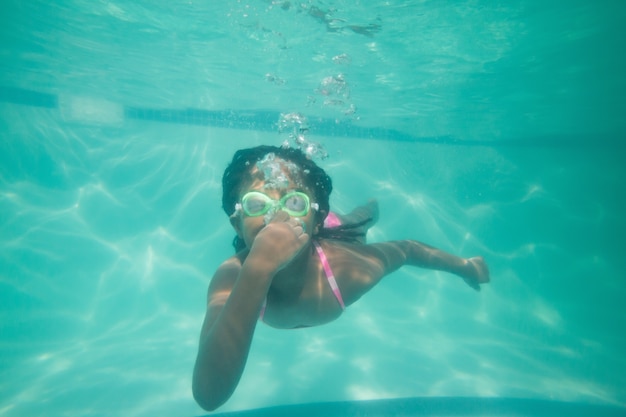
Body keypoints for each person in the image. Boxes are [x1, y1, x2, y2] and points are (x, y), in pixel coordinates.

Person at [192, 145, 490, 411]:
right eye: (258, 204)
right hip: (300, 237)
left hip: (335, 239)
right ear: (237, 223)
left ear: (316, 219)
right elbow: (208, 395)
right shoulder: (232, 276)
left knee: (358, 223)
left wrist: (465, 266)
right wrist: (258, 266)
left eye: (294, 203)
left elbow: (407, 249)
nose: (277, 218)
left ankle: (370, 208)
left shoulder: (348, 270)